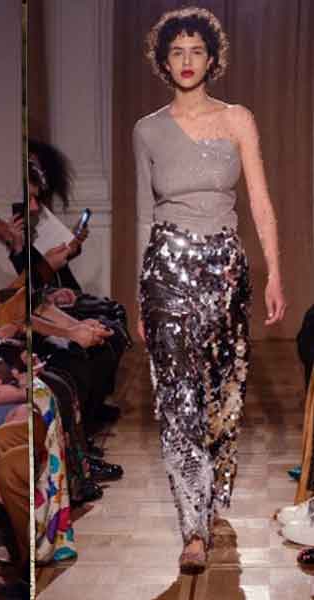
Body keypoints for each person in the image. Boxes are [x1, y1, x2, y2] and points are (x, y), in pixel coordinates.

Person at [133, 7, 285, 573]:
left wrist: (275, 271)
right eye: (177, 51)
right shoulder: (147, 130)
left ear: (212, 58)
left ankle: (213, 496)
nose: (187, 60)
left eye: (196, 50)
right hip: (166, 271)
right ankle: (192, 529)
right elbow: (144, 215)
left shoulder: (237, 120)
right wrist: (140, 292)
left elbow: (260, 201)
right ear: (163, 61)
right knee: (178, 401)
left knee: (222, 397)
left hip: (225, 272)